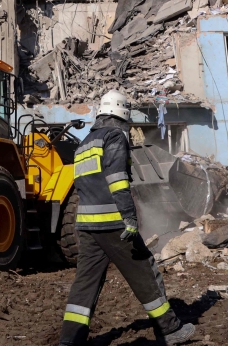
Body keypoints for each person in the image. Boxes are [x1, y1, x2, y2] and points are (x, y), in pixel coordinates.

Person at [58, 90, 195, 346]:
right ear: (122, 114)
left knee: (84, 284)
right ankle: (170, 330)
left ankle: (69, 341)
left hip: (87, 226)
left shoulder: (85, 143)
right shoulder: (114, 136)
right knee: (145, 273)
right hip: (113, 224)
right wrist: (130, 218)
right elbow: (117, 180)